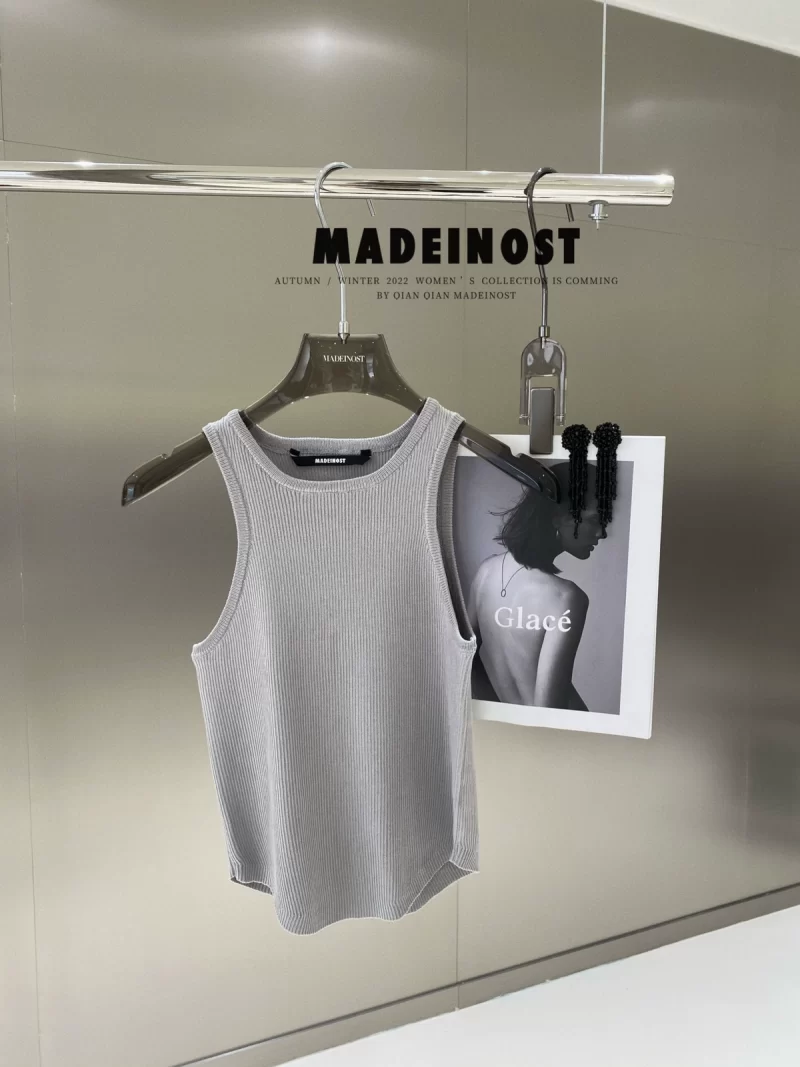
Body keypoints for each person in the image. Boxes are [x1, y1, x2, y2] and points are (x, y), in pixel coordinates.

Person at [467, 462, 604, 710]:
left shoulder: (486, 571)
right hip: (564, 729)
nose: (602, 533)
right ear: (558, 517)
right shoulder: (567, 598)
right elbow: (548, 712)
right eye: (595, 520)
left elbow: (466, 662)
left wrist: (501, 711)